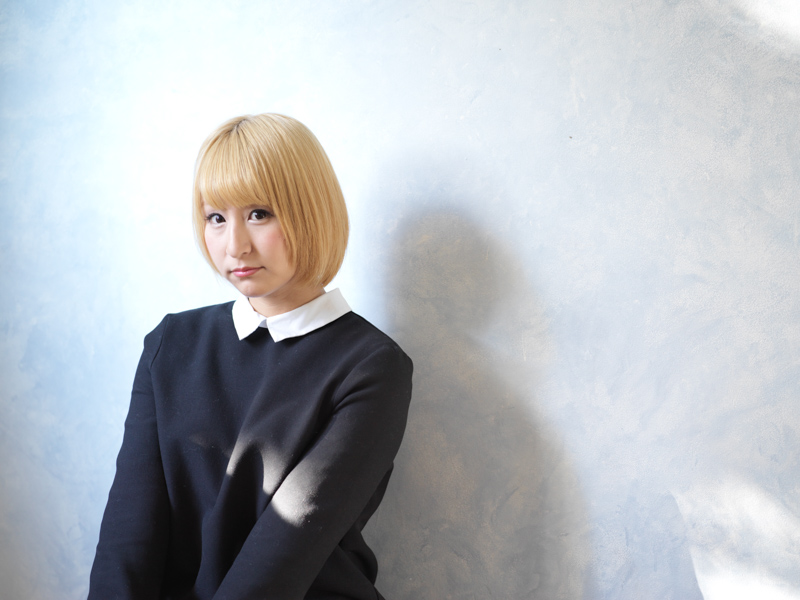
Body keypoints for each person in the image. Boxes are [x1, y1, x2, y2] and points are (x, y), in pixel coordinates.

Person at [88, 114, 413, 600]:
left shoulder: (372, 366)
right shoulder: (171, 343)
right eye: (216, 218)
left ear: (311, 213)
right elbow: (129, 534)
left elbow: (285, 552)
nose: (235, 246)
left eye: (260, 214)